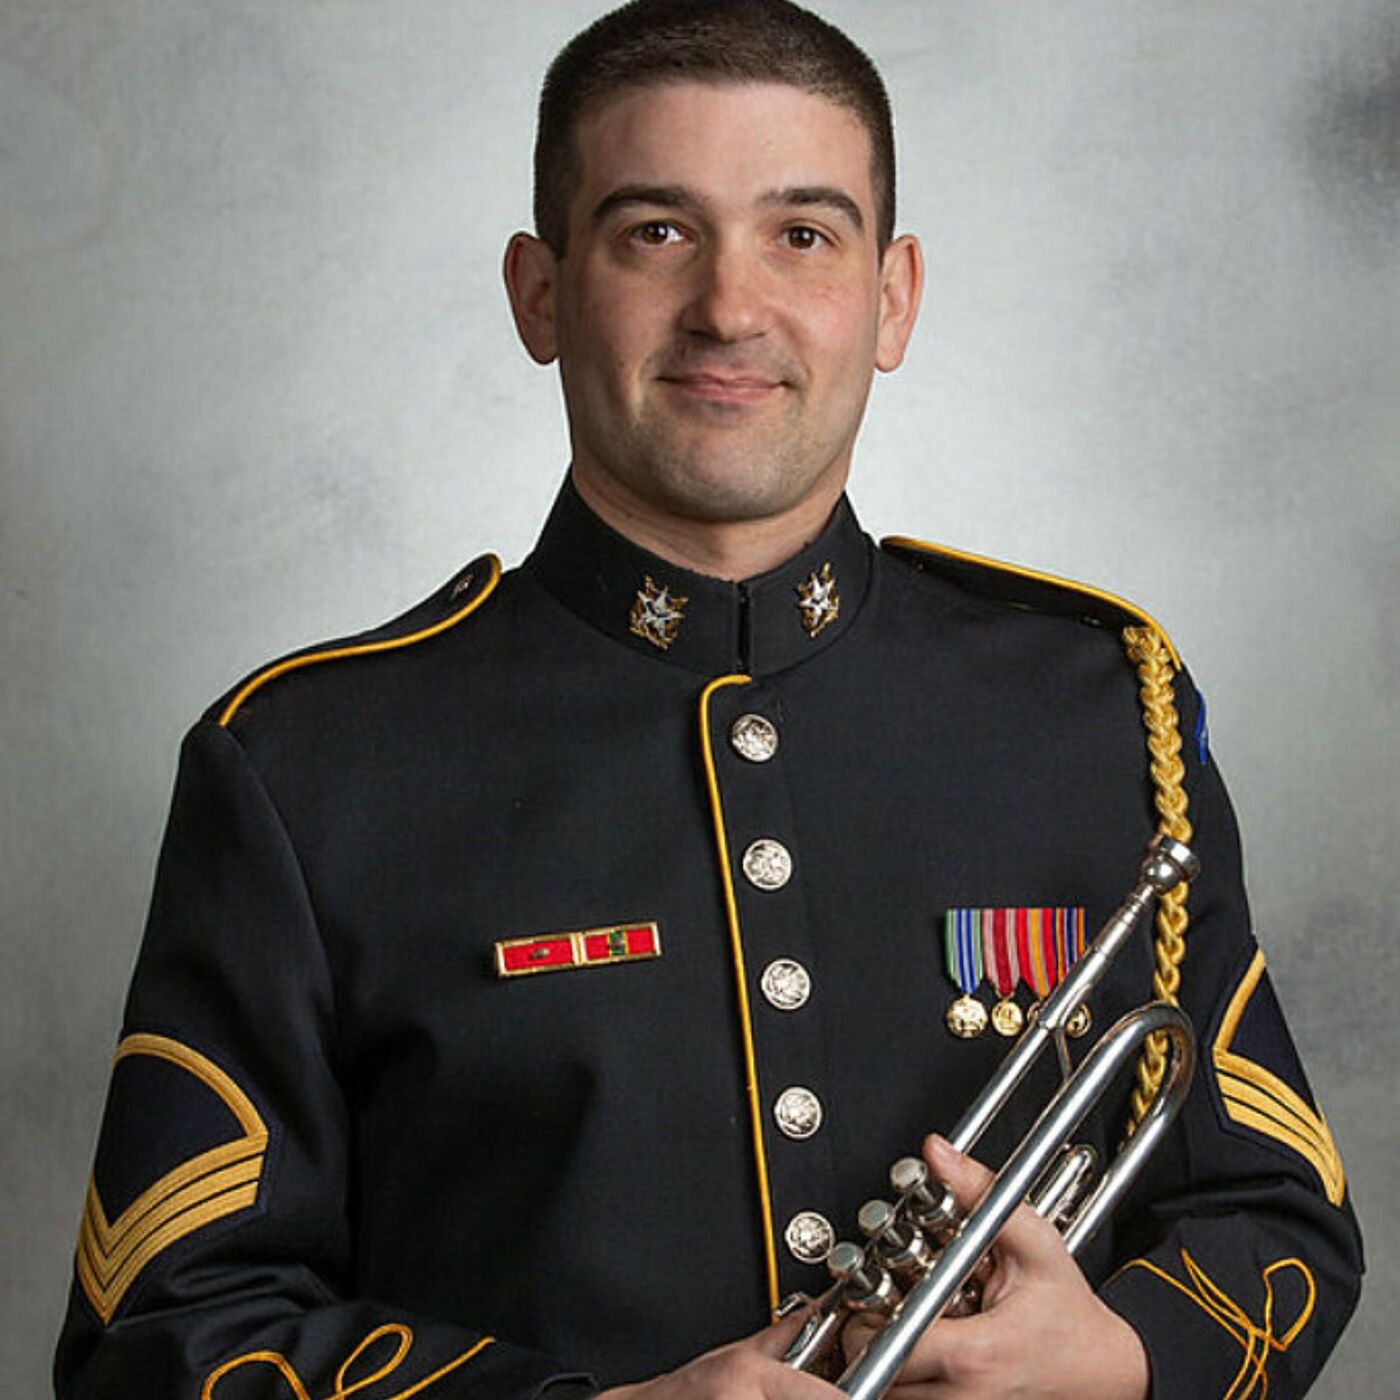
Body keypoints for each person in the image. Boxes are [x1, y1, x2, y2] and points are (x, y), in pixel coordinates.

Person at [54, 2, 1362, 1397]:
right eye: (657, 231)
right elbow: (159, 1339)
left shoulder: (1095, 712)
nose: (731, 307)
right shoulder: (309, 766)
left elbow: (1277, 1220)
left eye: (803, 234)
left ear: (893, 297)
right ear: (541, 293)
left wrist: (1130, 1359)